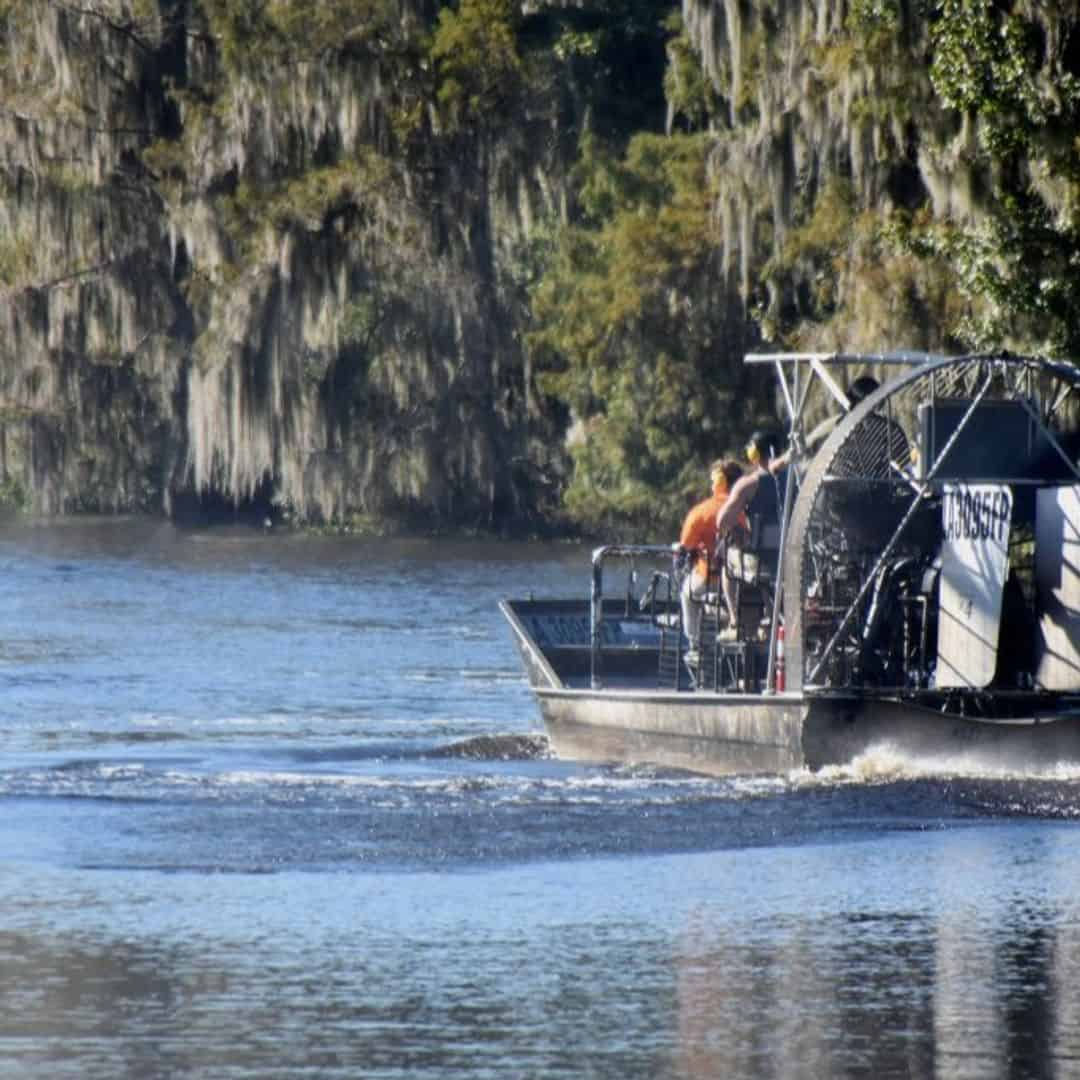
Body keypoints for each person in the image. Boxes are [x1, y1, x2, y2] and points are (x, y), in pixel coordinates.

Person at [715, 431, 786, 635]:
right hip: (792, 557)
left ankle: (735, 622)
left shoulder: (749, 484)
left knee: (728, 557)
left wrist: (737, 530)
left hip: (763, 561)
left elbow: (722, 522)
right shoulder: (798, 480)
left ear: (754, 453)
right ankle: (772, 615)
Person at [678, 458, 744, 664]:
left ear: (719, 482)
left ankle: (695, 646)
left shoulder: (701, 512)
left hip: (709, 580)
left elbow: (685, 545)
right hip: (745, 582)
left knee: (687, 593)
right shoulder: (747, 509)